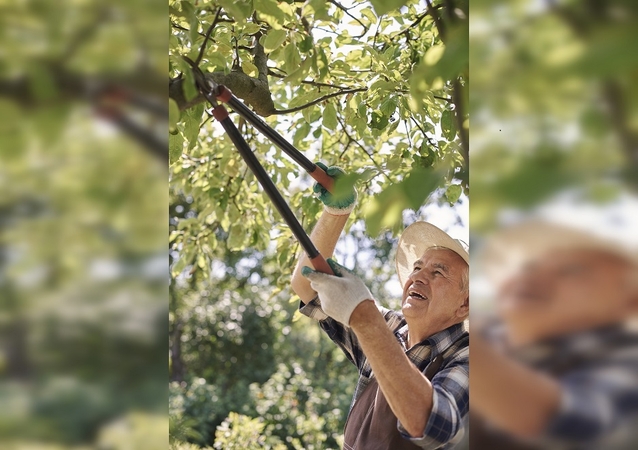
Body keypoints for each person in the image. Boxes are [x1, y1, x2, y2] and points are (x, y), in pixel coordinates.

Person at [290, 164, 470, 449]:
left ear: (466, 305)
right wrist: (335, 215)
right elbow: (306, 287)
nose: (418, 277)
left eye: (438, 272)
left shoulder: (470, 357)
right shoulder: (391, 327)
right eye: (417, 267)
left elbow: (433, 424)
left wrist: (364, 318)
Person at [470, 221, 638, 450]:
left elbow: (573, 419)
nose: (532, 277)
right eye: (528, 267)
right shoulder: (485, 333)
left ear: (631, 302)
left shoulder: (628, 357)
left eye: (572, 270)